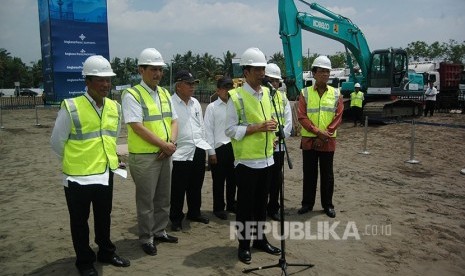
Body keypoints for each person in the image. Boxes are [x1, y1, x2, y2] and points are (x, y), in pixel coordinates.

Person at [50, 55, 130, 276]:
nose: (105, 84)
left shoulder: (115, 107)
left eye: (108, 80)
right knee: (79, 222)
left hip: (105, 174)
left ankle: (106, 252)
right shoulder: (72, 107)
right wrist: (77, 163)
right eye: (100, 80)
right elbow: (57, 142)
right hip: (78, 177)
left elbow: (111, 139)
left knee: (104, 217)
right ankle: (84, 262)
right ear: (87, 81)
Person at [225, 47, 281, 264]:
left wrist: (273, 133)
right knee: (245, 207)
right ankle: (243, 245)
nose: (261, 73)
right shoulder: (235, 97)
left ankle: (260, 239)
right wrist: (256, 128)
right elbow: (230, 130)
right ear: (246, 71)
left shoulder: (268, 93)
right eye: (257, 69)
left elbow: (270, 118)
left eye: (263, 69)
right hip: (247, 162)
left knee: (261, 206)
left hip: (267, 158)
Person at [121, 48, 178, 257]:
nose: (157, 74)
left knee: (163, 197)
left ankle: (160, 231)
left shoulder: (163, 93)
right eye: (153, 69)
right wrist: (164, 146)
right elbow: (137, 126)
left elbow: (174, 120)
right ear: (141, 70)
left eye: (160, 69)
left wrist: (170, 143)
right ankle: (146, 237)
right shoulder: (132, 94)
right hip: (145, 157)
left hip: (166, 153)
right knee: (146, 200)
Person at [297, 55, 344, 219]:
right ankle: (307, 204)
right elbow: (302, 116)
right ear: (314, 73)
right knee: (309, 174)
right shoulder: (305, 93)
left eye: (327, 71)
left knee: (327, 174)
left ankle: (327, 205)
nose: (325, 74)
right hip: (310, 141)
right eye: (321, 71)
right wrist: (318, 133)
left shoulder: (336, 93)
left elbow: (338, 117)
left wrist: (325, 135)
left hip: (328, 141)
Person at [169, 69, 212, 231]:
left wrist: (206, 147)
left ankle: (194, 212)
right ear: (178, 86)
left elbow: (200, 125)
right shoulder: (169, 103)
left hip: (198, 148)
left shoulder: (195, 103)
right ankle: (176, 218)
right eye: (189, 84)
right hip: (180, 152)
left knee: (196, 185)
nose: (192, 87)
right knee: (178, 188)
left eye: (194, 84)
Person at [204, 76, 237, 220]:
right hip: (219, 147)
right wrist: (211, 152)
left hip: (234, 146)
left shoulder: (236, 105)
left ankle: (231, 204)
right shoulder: (212, 107)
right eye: (225, 88)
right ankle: (218, 207)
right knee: (218, 181)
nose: (228, 91)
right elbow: (208, 131)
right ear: (218, 90)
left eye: (230, 87)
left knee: (233, 179)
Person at [264, 63, 292, 221]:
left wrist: (279, 137)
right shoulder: (259, 98)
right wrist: (269, 139)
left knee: (276, 180)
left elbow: (288, 123)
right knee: (263, 180)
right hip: (263, 146)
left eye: (276, 81)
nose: (274, 84)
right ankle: (260, 207)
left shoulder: (283, 98)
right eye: (271, 80)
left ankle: (273, 207)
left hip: (278, 147)